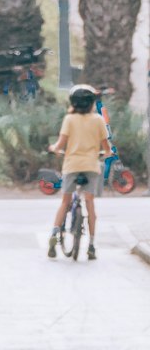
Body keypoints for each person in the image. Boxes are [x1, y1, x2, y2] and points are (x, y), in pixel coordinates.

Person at [47, 83, 111, 261]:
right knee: (90, 202)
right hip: (91, 166)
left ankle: (53, 234)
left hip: (71, 165)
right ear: (91, 102)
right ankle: (91, 244)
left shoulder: (69, 119)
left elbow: (60, 144)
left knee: (65, 201)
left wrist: (54, 148)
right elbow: (107, 147)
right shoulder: (98, 120)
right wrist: (107, 153)